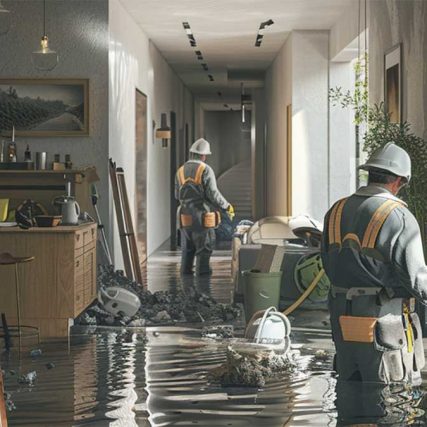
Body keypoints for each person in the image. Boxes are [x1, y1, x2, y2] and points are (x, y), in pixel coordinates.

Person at [321, 142, 427, 389]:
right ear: (399, 180)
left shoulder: (335, 211)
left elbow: (327, 263)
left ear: (370, 174)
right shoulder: (399, 217)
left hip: (342, 319)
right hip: (383, 323)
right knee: (390, 394)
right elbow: (417, 280)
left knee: (349, 387)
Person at [175, 138, 234, 275]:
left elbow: (177, 195)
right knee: (203, 251)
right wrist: (227, 206)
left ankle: (185, 288)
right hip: (201, 218)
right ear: (203, 155)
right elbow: (213, 194)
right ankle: (203, 289)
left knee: (187, 252)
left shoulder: (180, 171)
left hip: (184, 217)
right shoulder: (205, 170)